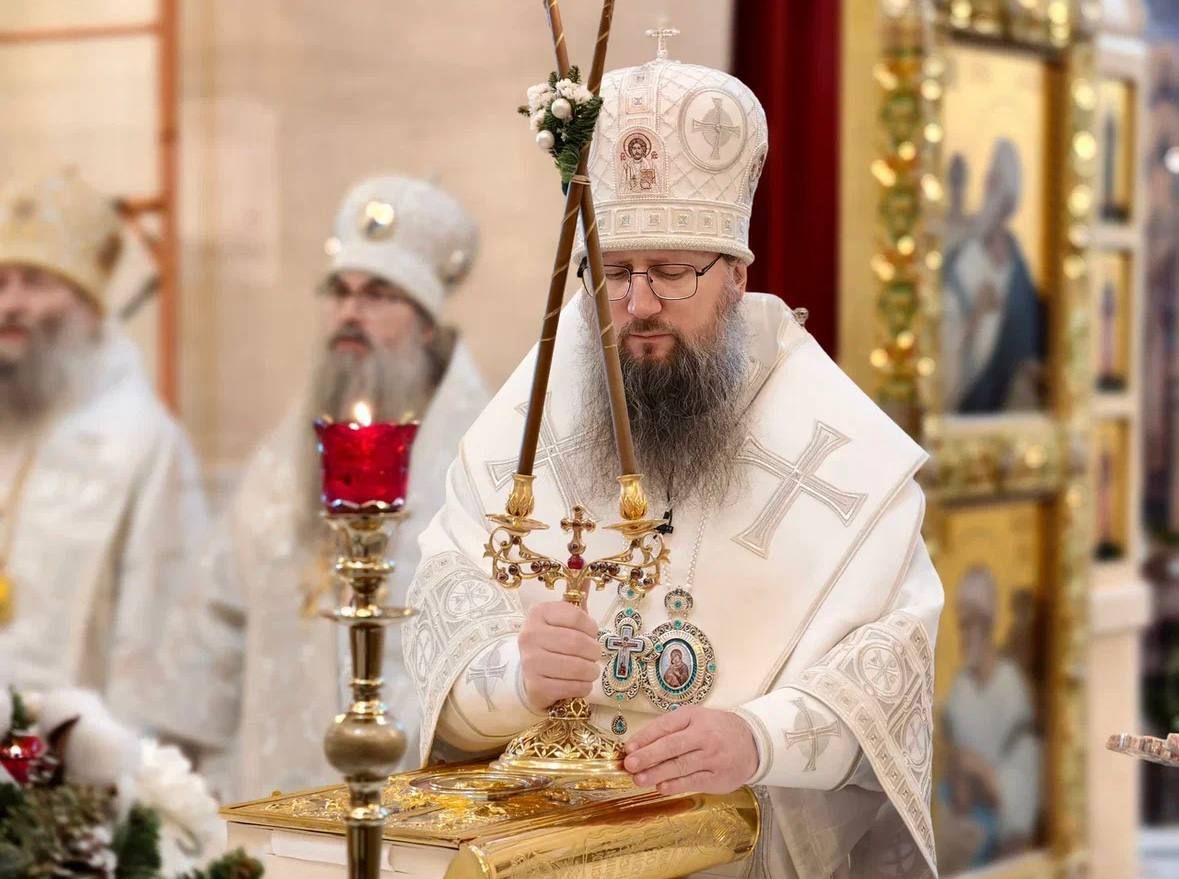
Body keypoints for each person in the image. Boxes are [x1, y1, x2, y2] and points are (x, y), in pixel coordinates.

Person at [403, 44, 944, 877]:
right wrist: (515, 678)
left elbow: (887, 669)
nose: (639, 303)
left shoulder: (842, 449)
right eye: (615, 272)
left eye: (672, 272)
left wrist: (756, 737)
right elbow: (441, 632)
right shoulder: (520, 424)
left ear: (735, 275)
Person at [157, 176, 489, 799]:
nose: (349, 313)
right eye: (340, 291)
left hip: (414, 799)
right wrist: (185, 777)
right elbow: (217, 612)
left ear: (426, 324)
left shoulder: (480, 457)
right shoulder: (281, 461)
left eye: (379, 295)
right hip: (270, 792)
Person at [0, 169, 208, 732]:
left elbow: (157, 644)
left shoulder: (143, 441)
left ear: (90, 308)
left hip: (75, 761)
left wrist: (122, 770)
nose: (11, 304)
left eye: (36, 283)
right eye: (2, 283)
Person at [940, 567, 1041, 868]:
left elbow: (1022, 775)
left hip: (1000, 822)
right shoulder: (960, 686)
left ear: (987, 625)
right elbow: (952, 753)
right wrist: (958, 774)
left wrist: (982, 771)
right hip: (961, 812)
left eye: (971, 624)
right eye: (962, 625)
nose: (965, 635)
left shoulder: (1010, 685)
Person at [941, 139, 1046, 413]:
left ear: (1009, 198)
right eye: (988, 176)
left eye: (996, 180)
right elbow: (944, 326)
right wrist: (975, 315)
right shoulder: (965, 255)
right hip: (966, 396)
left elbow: (1028, 339)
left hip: (1006, 403)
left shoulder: (1017, 262)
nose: (988, 185)